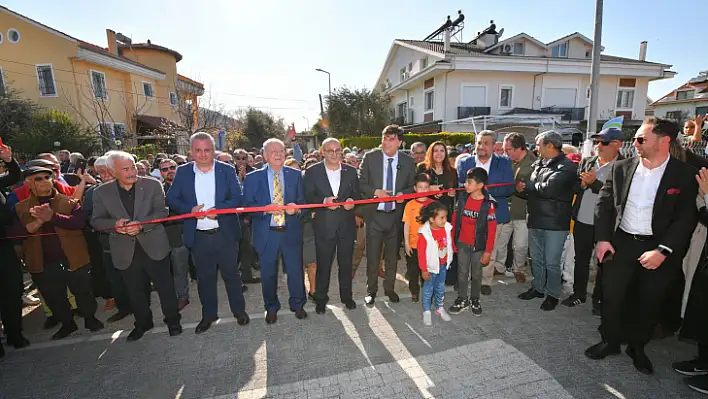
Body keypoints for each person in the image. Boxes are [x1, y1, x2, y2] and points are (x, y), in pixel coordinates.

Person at [585, 117, 698, 375]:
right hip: (621, 243)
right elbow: (604, 204)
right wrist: (602, 239)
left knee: (648, 301)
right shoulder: (621, 168)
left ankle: (637, 347)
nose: (634, 143)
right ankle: (610, 341)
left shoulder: (684, 175)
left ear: (664, 140)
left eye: (641, 138)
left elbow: (685, 219)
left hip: (658, 249)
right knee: (611, 296)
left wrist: (663, 251)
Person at [92, 152, 182, 341]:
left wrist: (140, 224)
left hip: (154, 247)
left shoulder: (152, 184)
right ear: (112, 171)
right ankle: (143, 323)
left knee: (165, 288)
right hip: (125, 251)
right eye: (126, 169)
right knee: (135, 292)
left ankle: (173, 320)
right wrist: (116, 225)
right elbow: (97, 221)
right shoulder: (100, 192)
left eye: (133, 166)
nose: (132, 171)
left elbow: (162, 212)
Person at [167, 133, 249, 333]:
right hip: (199, 237)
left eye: (207, 150)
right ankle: (209, 315)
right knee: (205, 279)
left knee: (232, 275)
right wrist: (190, 210)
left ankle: (239, 311)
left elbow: (237, 197)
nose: (203, 154)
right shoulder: (183, 172)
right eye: (198, 150)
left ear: (213, 150)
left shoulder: (226, 170)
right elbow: (172, 199)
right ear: (191, 151)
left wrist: (218, 211)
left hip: (225, 234)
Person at [15, 165, 104, 340]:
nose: (44, 181)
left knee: (83, 291)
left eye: (47, 177)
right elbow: (24, 231)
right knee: (55, 296)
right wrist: (40, 220)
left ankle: (90, 319)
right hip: (43, 262)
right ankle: (67, 324)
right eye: (38, 178)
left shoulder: (68, 201)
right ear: (29, 184)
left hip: (73, 257)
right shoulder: (21, 208)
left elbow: (79, 223)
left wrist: (52, 217)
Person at [243, 138, 307, 324]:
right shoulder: (253, 177)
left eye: (281, 151)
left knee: (295, 271)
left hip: (291, 231)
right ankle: (271, 307)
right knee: (268, 274)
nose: (278, 154)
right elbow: (246, 205)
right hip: (267, 233)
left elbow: (304, 203)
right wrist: (264, 209)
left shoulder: (295, 175)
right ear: (264, 156)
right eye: (273, 152)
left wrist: (297, 208)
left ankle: (298, 304)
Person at [516, 131, 577, 311]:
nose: (536, 148)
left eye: (538, 145)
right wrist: (525, 188)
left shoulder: (567, 166)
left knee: (551, 261)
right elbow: (537, 187)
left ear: (550, 145)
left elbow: (549, 189)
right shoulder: (540, 164)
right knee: (536, 258)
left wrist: (527, 186)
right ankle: (538, 288)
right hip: (536, 218)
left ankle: (553, 294)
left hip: (555, 222)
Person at [564, 128, 623, 311]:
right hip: (582, 220)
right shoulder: (587, 162)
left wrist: (594, 184)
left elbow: (618, 197)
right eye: (597, 142)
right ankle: (579, 294)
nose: (598, 146)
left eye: (603, 142)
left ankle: (599, 300)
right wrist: (581, 185)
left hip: (606, 226)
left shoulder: (624, 166)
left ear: (617, 144)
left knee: (605, 265)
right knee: (580, 260)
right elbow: (573, 187)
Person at [359, 125, 416, 305]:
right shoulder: (370, 158)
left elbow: (411, 186)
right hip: (375, 216)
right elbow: (360, 182)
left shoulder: (408, 162)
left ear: (399, 142)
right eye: (384, 138)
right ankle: (371, 290)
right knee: (373, 256)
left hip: (395, 216)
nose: (386, 142)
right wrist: (376, 191)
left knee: (392, 257)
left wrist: (403, 195)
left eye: (391, 139)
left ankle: (389, 289)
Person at [303, 138, 360, 314]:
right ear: (323, 152)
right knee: (323, 265)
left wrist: (353, 202)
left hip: (346, 226)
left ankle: (347, 297)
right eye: (330, 151)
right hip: (324, 226)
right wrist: (322, 202)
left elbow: (357, 194)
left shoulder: (350, 171)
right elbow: (307, 196)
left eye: (337, 150)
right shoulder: (312, 172)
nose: (334, 154)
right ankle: (320, 299)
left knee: (346, 264)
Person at [458, 130, 514, 295]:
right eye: (479, 142)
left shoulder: (503, 163)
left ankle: (485, 281)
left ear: (494, 145)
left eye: (486, 143)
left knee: (490, 247)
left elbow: (509, 187)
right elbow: (461, 185)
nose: (481, 147)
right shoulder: (466, 162)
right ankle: (466, 278)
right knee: (468, 247)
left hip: (494, 213)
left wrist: (483, 192)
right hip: (470, 213)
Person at [449, 168, 497, 316]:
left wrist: (488, 251)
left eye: (470, 182)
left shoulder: (488, 205)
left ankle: (475, 299)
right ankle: (462, 299)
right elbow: (454, 221)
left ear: (480, 185)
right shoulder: (462, 199)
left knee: (476, 274)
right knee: (462, 273)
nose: (465, 184)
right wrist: (452, 242)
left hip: (479, 246)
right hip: (462, 243)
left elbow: (492, 230)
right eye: (466, 181)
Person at [0, 144, 28, 357]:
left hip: (3, 247)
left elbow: (15, 176)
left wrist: (9, 159)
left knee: (12, 289)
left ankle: (14, 333)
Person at [503, 133, 536, 283]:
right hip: (505, 209)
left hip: (522, 211)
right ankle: (499, 267)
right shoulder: (506, 162)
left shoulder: (534, 163)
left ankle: (519, 269)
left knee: (521, 246)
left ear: (519, 148)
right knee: (500, 242)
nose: (506, 152)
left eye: (508, 149)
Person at [159, 158, 191, 311]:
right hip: (174, 236)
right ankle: (183, 296)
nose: (169, 171)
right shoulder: (159, 191)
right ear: (161, 173)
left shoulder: (191, 185)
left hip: (196, 231)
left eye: (172, 167)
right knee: (179, 269)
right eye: (165, 169)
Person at [417, 201, 453, 326]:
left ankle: (439, 308)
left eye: (445, 217)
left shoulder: (447, 228)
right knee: (428, 289)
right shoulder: (424, 234)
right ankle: (427, 311)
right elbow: (421, 253)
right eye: (441, 218)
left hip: (443, 266)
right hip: (431, 268)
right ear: (432, 219)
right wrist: (424, 269)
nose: (445, 220)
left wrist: (453, 252)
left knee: (440, 288)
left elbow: (450, 243)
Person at [402, 174, 434, 303]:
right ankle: (414, 291)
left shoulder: (433, 204)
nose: (423, 190)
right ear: (415, 188)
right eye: (420, 187)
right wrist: (406, 243)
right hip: (414, 245)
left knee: (427, 272)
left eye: (426, 187)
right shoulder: (410, 204)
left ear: (429, 188)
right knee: (413, 270)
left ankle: (428, 293)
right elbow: (407, 225)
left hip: (429, 246)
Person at [233, 149, 260, 284]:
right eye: (238, 158)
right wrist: (239, 179)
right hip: (232, 217)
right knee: (234, 249)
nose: (241, 161)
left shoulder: (254, 173)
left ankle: (247, 275)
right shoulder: (228, 172)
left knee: (247, 247)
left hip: (249, 217)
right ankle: (237, 279)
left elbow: (253, 196)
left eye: (244, 158)